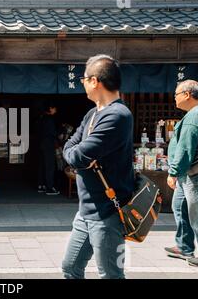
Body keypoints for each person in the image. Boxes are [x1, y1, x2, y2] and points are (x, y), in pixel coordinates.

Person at [62, 54, 134, 279]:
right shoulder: (93, 114)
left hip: (108, 212)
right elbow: (71, 147)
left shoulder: (118, 115)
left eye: (84, 79)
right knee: (70, 268)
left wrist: (78, 155)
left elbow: (78, 155)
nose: (82, 83)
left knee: (110, 275)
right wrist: (78, 154)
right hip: (85, 211)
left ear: (95, 81)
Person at [164, 80, 198, 268]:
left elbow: (186, 149)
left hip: (193, 173)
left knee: (197, 214)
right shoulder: (193, 114)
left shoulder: (195, 116)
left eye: (176, 94)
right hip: (188, 174)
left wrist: (174, 172)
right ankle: (184, 246)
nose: (174, 98)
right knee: (179, 205)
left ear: (187, 94)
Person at [36, 101, 60, 195]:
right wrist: (61, 130)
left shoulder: (41, 118)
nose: (56, 110)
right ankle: (49, 188)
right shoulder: (49, 119)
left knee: (41, 165)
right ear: (50, 108)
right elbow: (53, 133)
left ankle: (41, 185)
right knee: (50, 166)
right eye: (54, 108)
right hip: (48, 145)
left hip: (40, 144)